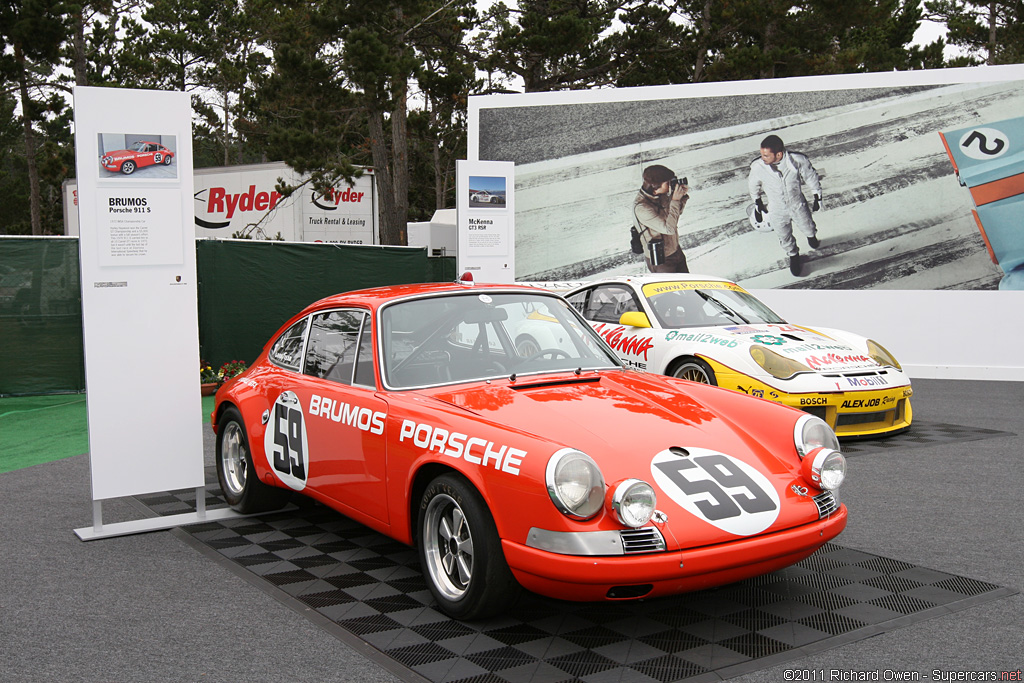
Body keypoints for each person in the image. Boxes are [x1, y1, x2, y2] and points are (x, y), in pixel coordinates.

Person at [747, 135, 822, 276]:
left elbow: (810, 176)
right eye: (761, 154)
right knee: (783, 235)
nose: (762, 157)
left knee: (807, 225)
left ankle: (811, 236)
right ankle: (793, 255)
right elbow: (753, 184)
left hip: (797, 204)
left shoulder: (798, 161)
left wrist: (817, 195)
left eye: (766, 155)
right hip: (776, 209)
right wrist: (757, 203)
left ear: (778, 154)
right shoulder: (758, 167)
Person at [634, 164, 690, 273]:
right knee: (671, 290)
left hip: (675, 251)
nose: (670, 185)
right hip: (662, 259)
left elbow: (674, 216)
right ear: (655, 187)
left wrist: (681, 197)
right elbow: (669, 229)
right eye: (667, 183)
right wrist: (675, 201)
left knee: (688, 287)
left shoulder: (661, 195)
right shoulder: (642, 208)